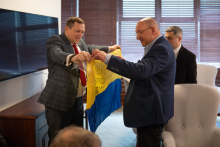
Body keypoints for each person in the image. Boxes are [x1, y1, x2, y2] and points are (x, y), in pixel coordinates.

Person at [92, 18, 176, 147]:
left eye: (140, 32)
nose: (137, 37)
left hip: (153, 111)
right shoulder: (158, 46)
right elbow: (147, 69)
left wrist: (107, 58)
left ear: (152, 30)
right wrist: (124, 62)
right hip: (150, 110)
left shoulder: (161, 48)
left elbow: (141, 71)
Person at [37, 17, 120, 145]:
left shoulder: (80, 43)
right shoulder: (55, 41)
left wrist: (110, 48)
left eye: (82, 32)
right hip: (58, 101)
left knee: (77, 139)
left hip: (77, 99)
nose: (80, 34)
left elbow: (91, 47)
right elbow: (57, 54)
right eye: (77, 31)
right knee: (58, 139)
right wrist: (74, 57)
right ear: (67, 29)